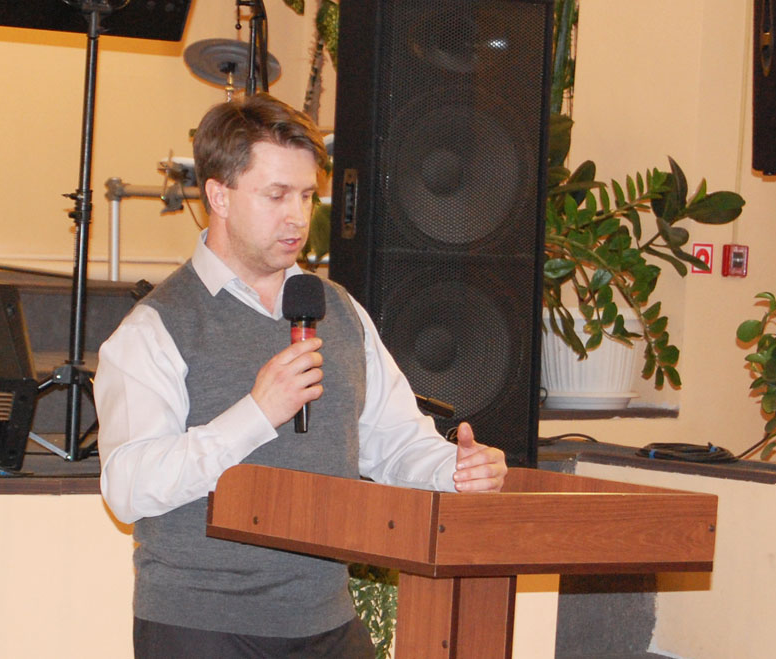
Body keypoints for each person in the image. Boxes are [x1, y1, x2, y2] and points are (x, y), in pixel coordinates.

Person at [94, 93, 508, 658]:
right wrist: (256, 413)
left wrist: (454, 471)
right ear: (219, 195)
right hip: (201, 625)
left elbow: (393, 443)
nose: (297, 216)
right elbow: (127, 488)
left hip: (324, 619)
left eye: (307, 195)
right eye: (276, 195)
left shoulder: (340, 311)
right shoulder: (156, 327)